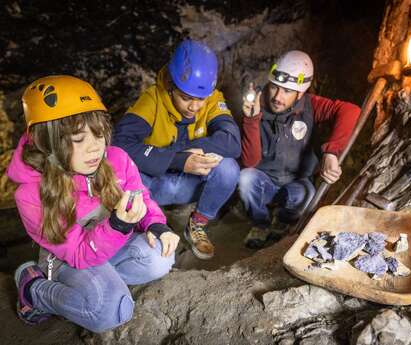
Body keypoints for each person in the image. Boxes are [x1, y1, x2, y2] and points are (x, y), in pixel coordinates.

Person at [7, 75, 180, 332]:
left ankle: (94, 284)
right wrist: (118, 224)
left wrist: (156, 224)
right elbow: (77, 252)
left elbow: (140, 197)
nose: (94, 149)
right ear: (47, 142)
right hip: (67, 258)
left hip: (108, 242)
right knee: (112, 310)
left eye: (98, 135)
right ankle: (35, 290)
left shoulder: (116, 159)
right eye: (78, 140)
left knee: (161, 258)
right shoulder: (31, 195)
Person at [113, 40, 241, 260]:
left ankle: (197, 224)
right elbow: (119, 144)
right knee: (123, 174)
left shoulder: (212, 99)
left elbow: (232, 142)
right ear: (171, 86)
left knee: (228, 167)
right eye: (186, 98)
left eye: (200, 99)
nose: (194, 106)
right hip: (154, 185)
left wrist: (185, 154)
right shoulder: (152, 99)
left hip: (188, 185)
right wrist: (178, 159)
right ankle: (143, 226)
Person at [239, 50, 360, 248]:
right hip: (265, 181)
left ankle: (282, 221)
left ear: (301, 92)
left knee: (306, 194)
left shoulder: (310, 106)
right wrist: (251, 120)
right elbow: (249, 162)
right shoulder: (256, 106)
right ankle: (260, 223)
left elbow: (351, 110)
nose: (278, 97)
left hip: (296, 183)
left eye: (287, 91)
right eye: (275, 87)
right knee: (245, 178)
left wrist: (331, 152)